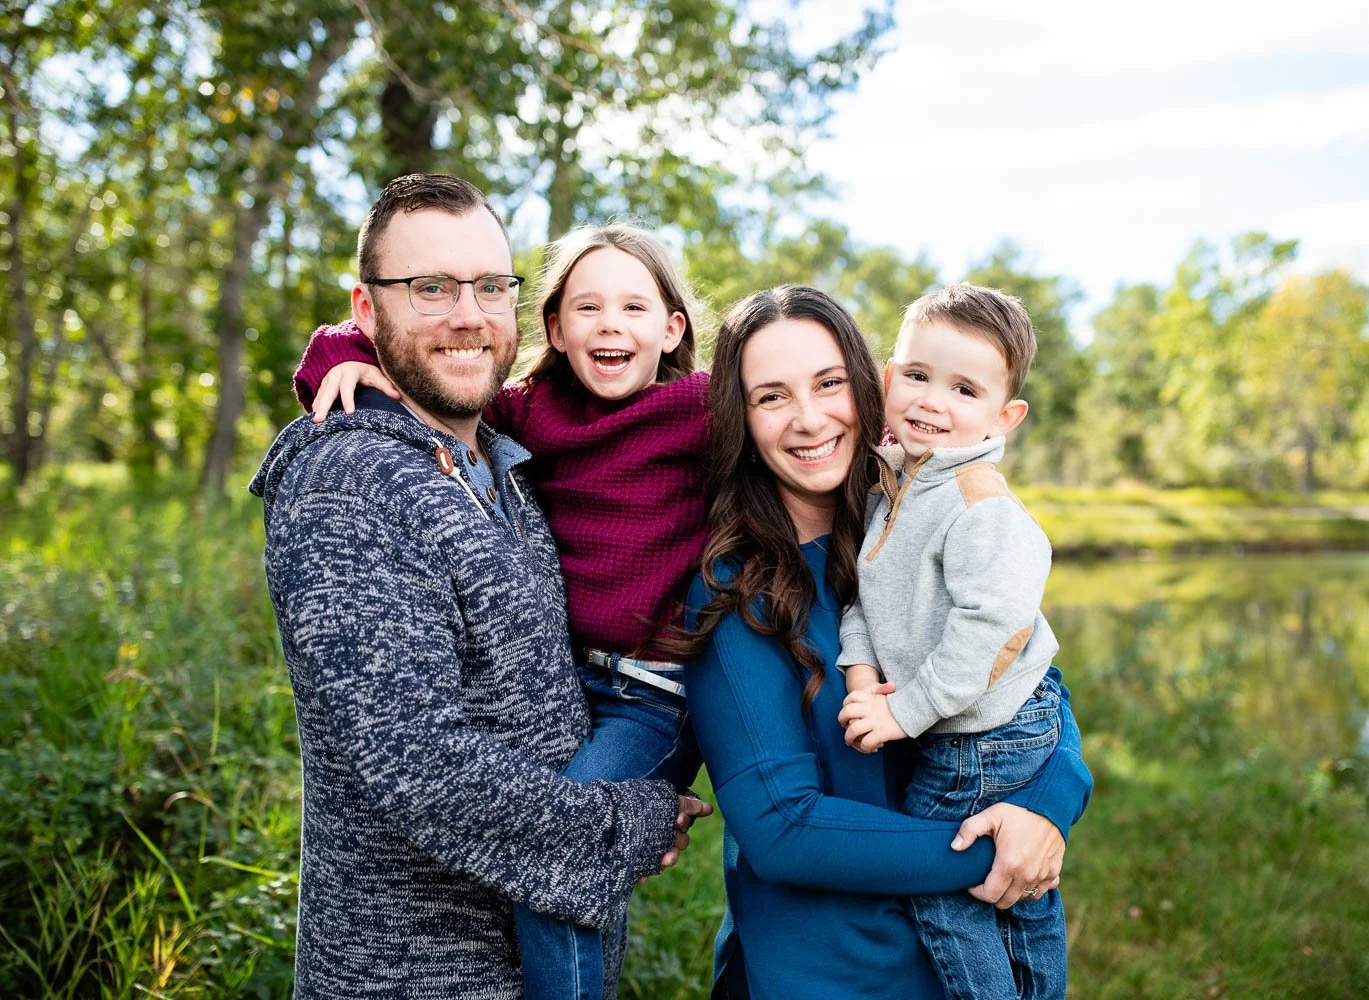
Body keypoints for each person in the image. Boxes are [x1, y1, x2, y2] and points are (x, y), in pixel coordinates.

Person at [249, 175, 707, 999]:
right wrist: (630, 822)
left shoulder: (502, 462)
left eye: (489, 285)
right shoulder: (351, 481)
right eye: (430, 288)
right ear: (366, 305)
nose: (467, 314)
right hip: (418, 978)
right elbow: (420, 766)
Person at [672, 285, 1093, 1000]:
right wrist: (996, 849)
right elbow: (782, 827)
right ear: (741, 418)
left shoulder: (918, 519)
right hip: (831, 973)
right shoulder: (733, 585)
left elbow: (1026, 679)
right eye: (772, 397)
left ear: (869, 386)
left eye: (829, 383)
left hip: (961, 954)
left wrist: (1051, 806)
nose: (809, 419)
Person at [836, 283, 1070, 1000]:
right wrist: (860, 668)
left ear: (1005, 416)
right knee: (1013, 894)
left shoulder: (980, 505)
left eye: (963, 388)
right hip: (974, 721)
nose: (932, 401)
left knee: (938, 878)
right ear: (887, 378)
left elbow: (991, 635)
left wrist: (906, 713)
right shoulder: (898, 484)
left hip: (984, 731)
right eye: (917, 375)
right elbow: (869, 595)